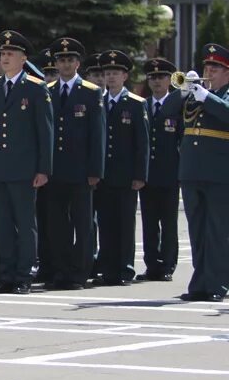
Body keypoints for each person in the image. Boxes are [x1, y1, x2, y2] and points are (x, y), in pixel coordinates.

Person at [0, 30, 53, 294]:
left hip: (24, 168)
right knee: (2, 223)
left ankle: (24, 274)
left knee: (24, 223)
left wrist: (44, 168)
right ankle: (6, 274)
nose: (4, 58)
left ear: (23, 59)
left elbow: (45, 132)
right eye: (2, 54)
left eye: (10, 54)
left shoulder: (35, 88)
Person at [41, 38, 105, 290]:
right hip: (55, 170)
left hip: (81, 171)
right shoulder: (48, 91)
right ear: (56, 64)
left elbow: (97, 135)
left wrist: (95, 170)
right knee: (57, 225)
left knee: (83, 225)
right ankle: (61, 270)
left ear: (78, 63)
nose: (65, 64)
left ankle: (79, 272)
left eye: (70, 59)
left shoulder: (90, 91)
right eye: (61, 60)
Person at [177, 43, 229, 302]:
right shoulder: (195, 95)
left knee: (217, 231)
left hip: (219, 173)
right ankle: (200, 283)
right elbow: (165, 115)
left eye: (216, 67)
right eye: (207, 66)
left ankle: (218, 284)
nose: (210, 71)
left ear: (227, 73)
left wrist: (206, 97)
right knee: (197, 230)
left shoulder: (221, 96)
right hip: (192, 170)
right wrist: (183, 91)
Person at [93, 50, 148, 286]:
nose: (111, 77)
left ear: (125, 76)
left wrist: (140, 175)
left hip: (126, 176)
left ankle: (124, 268)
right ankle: (107, 267)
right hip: (104, 175)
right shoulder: (98, 101)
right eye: (108, 73)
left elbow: (142, 144)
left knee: (125, 224)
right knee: (105, 224)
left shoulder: (136, 104)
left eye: (116, 73)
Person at [138, 58, 182, 282]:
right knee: (149, 222)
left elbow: (182, 142)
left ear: (169, 80)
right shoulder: (142, 105)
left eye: (162, 77)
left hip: (170, 174)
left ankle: (167, 265)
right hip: (147, 175)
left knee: (169, 223)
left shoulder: (177, 106)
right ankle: (152, 264)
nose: (156, 81)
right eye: (153, 77)